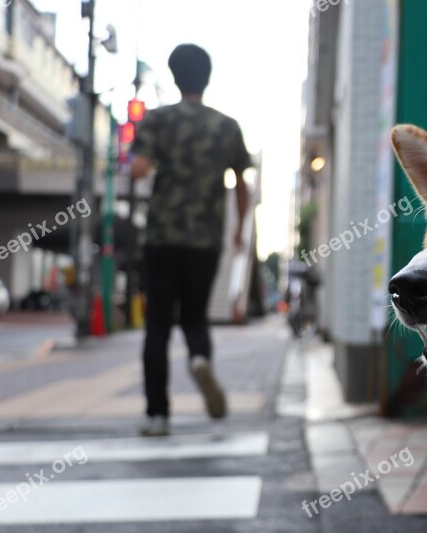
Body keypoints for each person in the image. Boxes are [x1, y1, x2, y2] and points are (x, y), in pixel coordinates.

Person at [130, 44, 252, 437]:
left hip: (162, 235)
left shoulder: (157, 120)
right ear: (207, 77)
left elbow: (139, 168)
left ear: (175, 76)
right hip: (205, 238)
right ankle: (199, 359)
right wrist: (237, 230)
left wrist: (148, 161)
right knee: (195, 317)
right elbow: (240, 184)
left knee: (158, 325)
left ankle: (158, 415)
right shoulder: (226, 126)